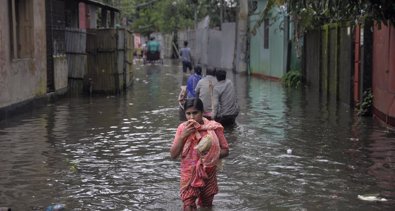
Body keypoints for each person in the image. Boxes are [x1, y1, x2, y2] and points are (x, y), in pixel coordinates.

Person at [170, 98, 229, 211]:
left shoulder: (213, 127)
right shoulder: (182, 128)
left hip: (208, 173)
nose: (191, 117)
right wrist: (183, 136)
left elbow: (225, 151)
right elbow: (173, 155)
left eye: (195, 113)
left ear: (202, 113)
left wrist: (211, 154)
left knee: (206, 206)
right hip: (189, 174)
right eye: (188, 114)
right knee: (188, 206)